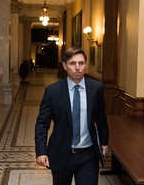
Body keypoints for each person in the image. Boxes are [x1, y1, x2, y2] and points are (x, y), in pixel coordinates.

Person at [35, 47, 109, 185]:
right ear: (64, 65)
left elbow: (101, 117)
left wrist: (104, 141)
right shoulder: (53, 91)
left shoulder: (96, 88)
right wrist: (41, 151)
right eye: (72, 63)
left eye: (81, 63)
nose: (77, 68)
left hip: (88, 154)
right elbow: (42, 124)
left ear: (85, 65)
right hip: (61, 152)